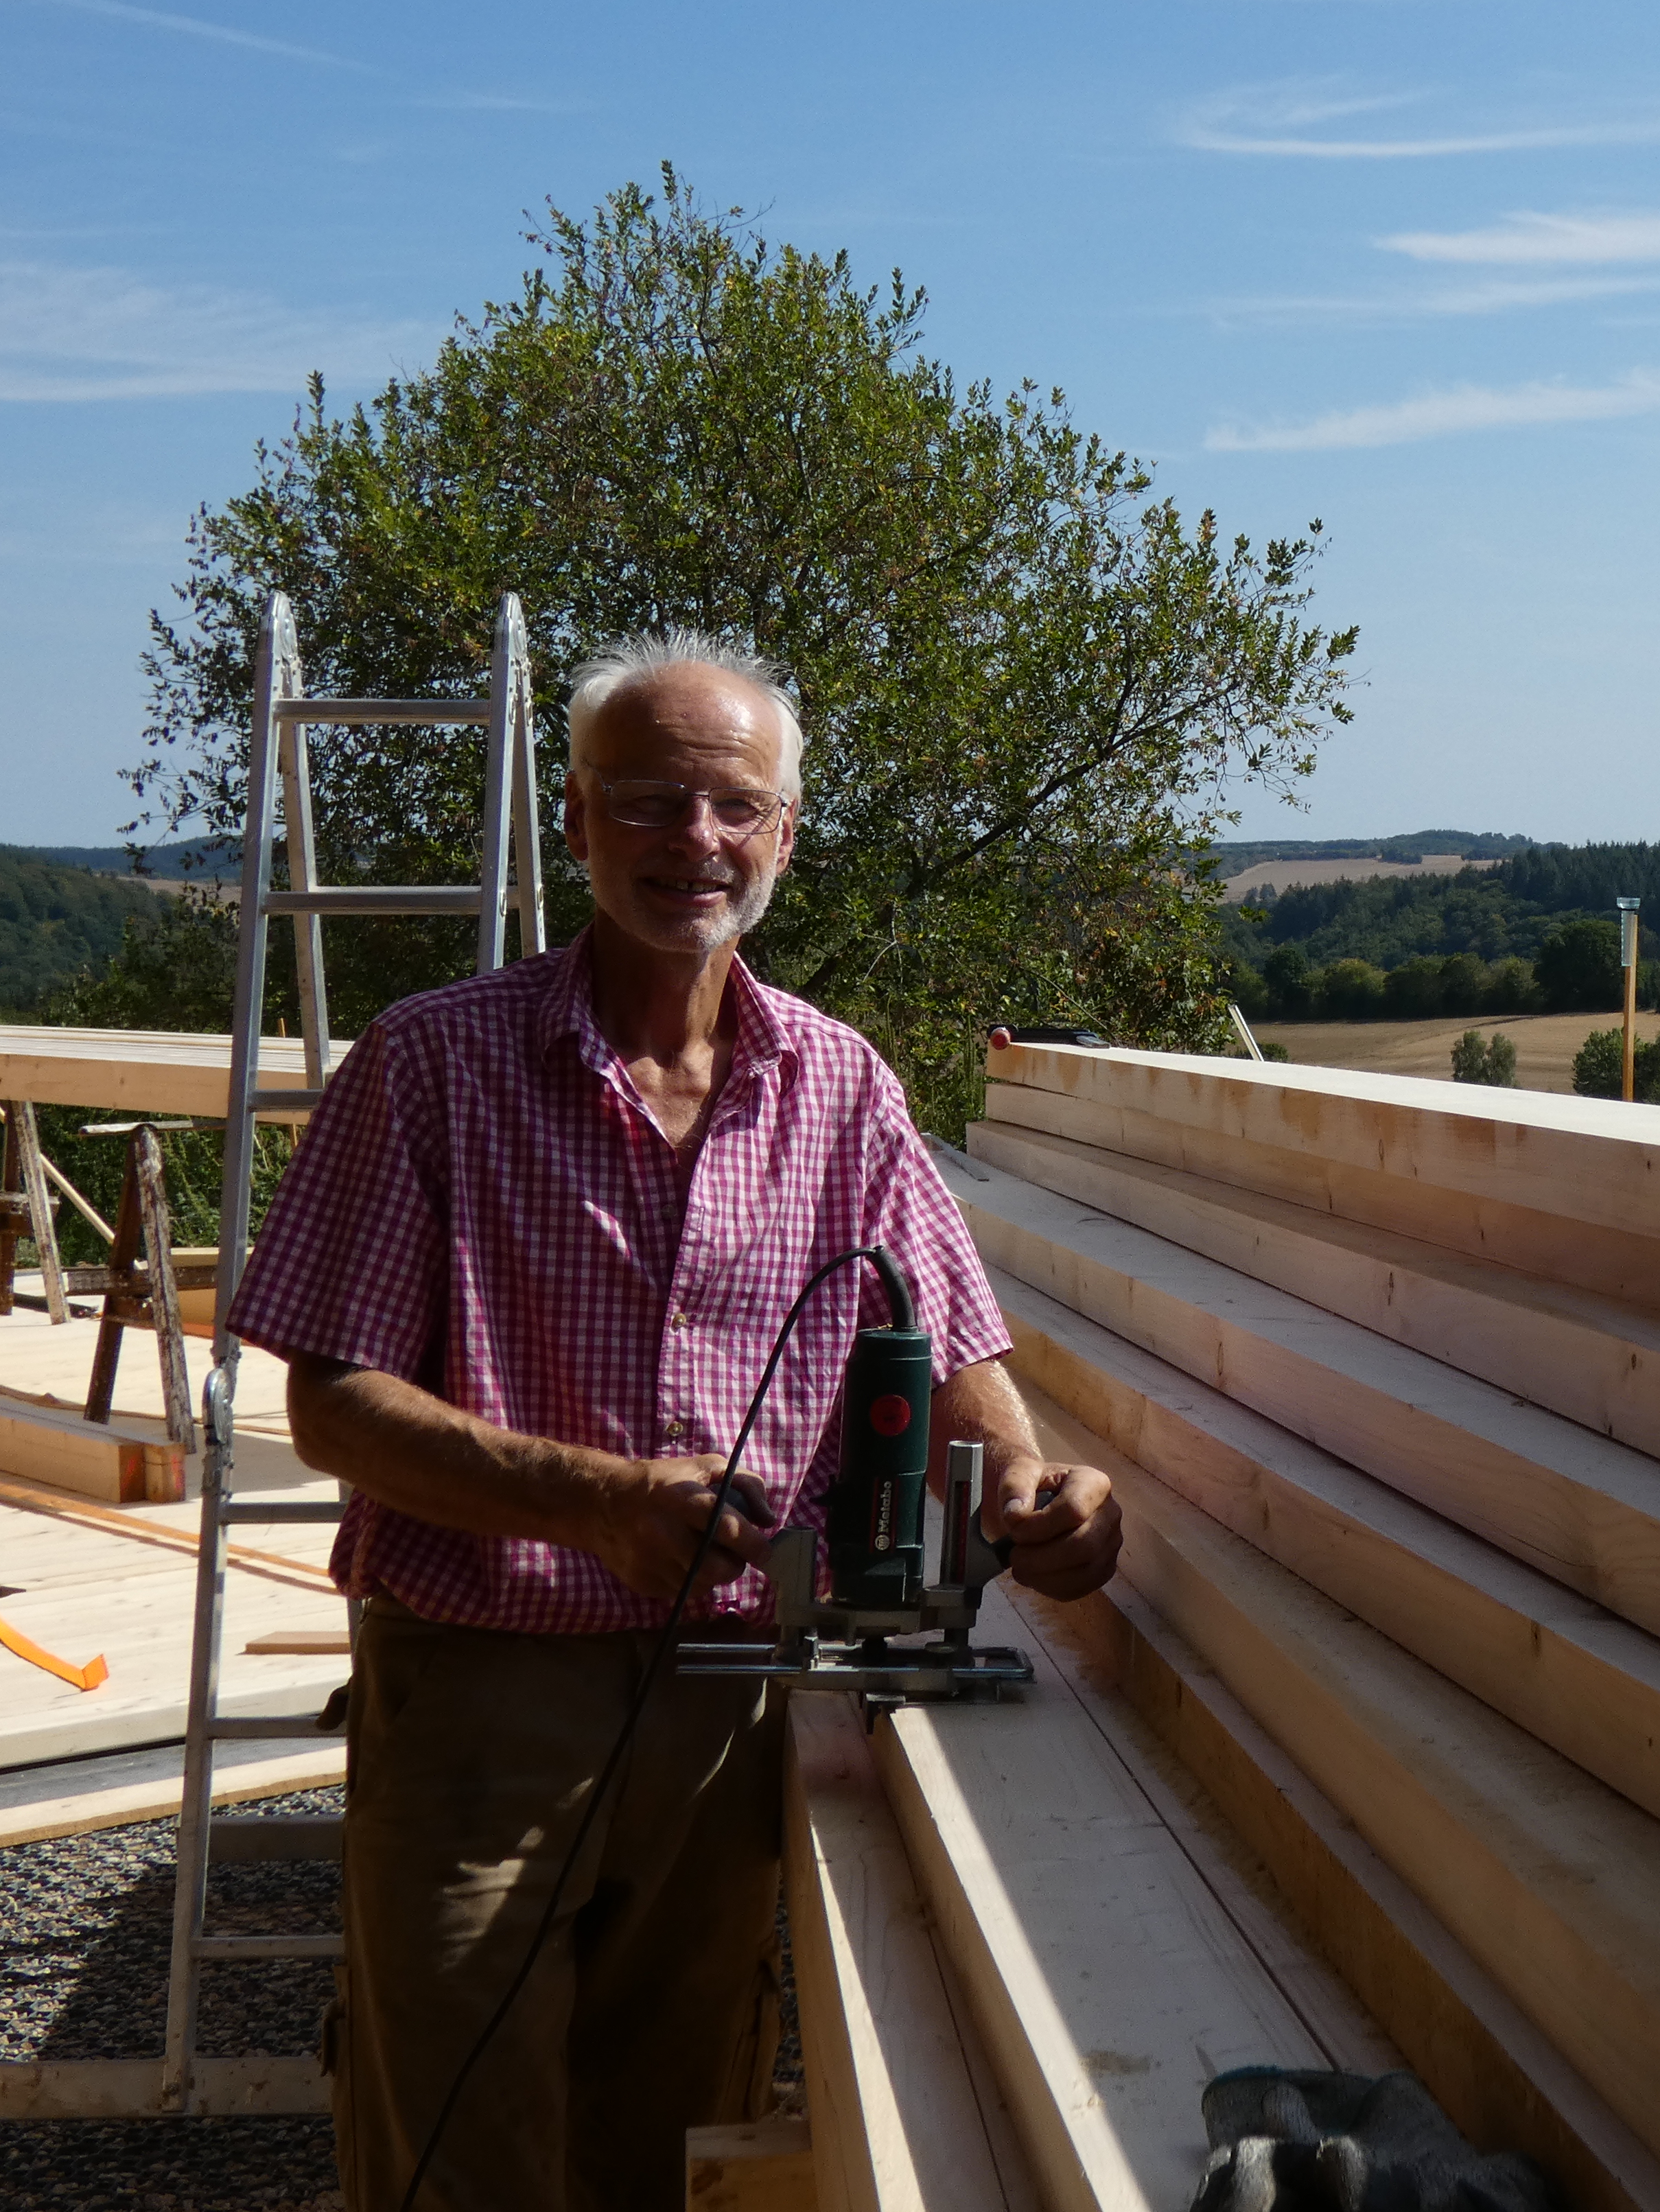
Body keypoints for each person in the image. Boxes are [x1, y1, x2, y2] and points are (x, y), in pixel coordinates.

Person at [230, 629, 1119, 2212]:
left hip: (731, 1702)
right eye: (645, 800)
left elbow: (948, 1352)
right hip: (480, 1691)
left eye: (732, 805)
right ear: (577, 819)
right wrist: (594, 1501)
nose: (690, 840)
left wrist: (1043, 1488)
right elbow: (333, 1408)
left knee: (674, 2132)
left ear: (784, 833)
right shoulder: (432, 1062)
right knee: (451, 2139)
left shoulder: (841, 1085)